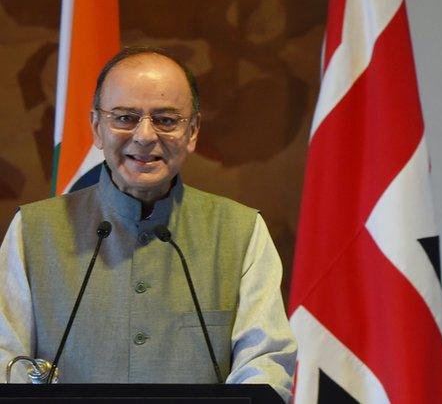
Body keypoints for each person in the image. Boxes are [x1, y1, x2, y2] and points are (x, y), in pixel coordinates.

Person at [0, 47, 296, 401]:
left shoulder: (241, 231)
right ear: (97, 127)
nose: (144, 136)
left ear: (193, 131)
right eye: (124, 117)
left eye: (166, 120)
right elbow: (5, 360)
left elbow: (264, 364)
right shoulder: (33, 231)